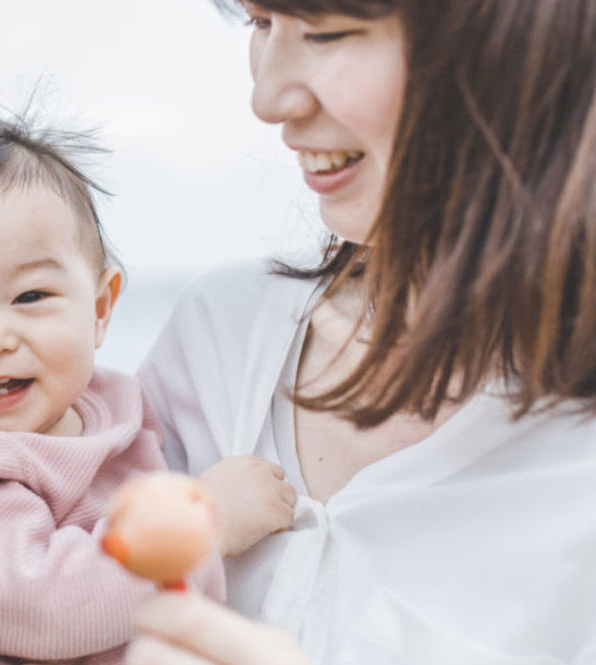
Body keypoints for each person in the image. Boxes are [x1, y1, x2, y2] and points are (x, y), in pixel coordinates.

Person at [126, 0, 596, 663]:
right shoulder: (216, 336)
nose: (267, 98)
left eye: (326, 31)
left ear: (516, 44)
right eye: (259, 24)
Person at [0, 114, 296, 664]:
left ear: (101, 307)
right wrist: (205, 525)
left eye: (31, 296)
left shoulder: (115, 405)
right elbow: (47, 607)